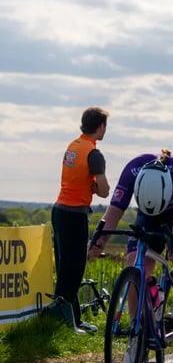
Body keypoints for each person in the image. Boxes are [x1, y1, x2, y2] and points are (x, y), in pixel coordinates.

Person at [89, 149, 173, 326]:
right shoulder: (133, 169)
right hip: (148, 213)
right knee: (135, 262)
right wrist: (99, 242)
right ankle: (136, 330)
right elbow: (114, 211)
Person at [51, 106, 110, 334]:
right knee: (74, 269)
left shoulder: (73, 146)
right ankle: (68, 323)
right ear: (101, 127)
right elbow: (104, 190)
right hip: (75, 214)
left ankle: (72, 317)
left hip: (59, 210)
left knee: (64, 266)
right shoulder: (94, 154)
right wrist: (96, 187)